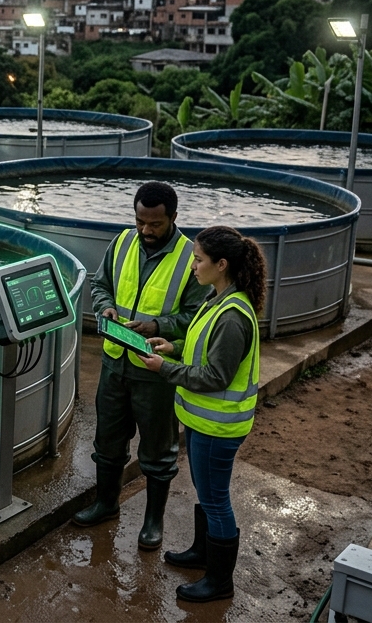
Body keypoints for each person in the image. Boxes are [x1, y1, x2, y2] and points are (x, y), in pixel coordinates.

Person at [74, 181, 209, 553]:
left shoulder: (190, 258)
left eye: (155, 225)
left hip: (156, 370)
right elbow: (100, 285)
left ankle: (153, 521)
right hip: (114, 363)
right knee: (108, 441)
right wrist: (105, 307)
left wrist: (157, 326)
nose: (146, 231)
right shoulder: (121, 242)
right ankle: (106, 503)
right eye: (140, 222)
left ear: (174, 218)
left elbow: (197, 316)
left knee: (158, 450)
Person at [137, 225, 266, 603]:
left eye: (198, 259)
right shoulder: (218, 299)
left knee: (215, 500)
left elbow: (215, 375)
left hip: (218, 426)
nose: (193, 265)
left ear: (221, 264)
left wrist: (164, 368)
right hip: (201, 421)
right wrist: (173, 346)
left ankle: (219, 582)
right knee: (207, 491)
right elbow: (201, 349)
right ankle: (202, 552)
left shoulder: (232, 316)